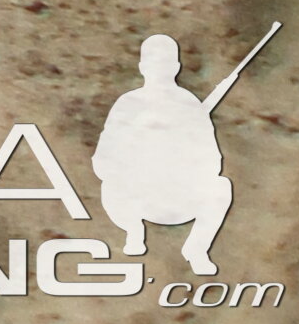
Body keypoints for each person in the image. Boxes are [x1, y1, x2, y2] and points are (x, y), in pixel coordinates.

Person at [94, 33, 241, 275]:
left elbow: (212, 159)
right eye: (152, 62)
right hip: (138, 196)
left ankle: (197, 249)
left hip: (181, 194)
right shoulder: (127, 103)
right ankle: (134, 233)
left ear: (176, 67)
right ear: (142, 67)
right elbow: (104, 157)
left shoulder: (189, 104)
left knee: (221, 187)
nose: (158, 68)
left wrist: (181, 156)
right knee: (110, 185)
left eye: (164, 62)